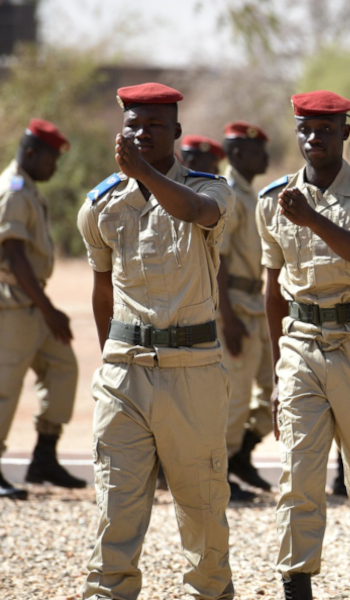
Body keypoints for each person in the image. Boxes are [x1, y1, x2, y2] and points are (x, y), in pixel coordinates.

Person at [78, 82, 234, 600]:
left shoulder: (211, 189)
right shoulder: (101, 205)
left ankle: (209, 592)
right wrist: (109, 364)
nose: (142, 134)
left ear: (177, 134)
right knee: (115, 504)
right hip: (126, 371)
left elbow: (197, 214)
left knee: (202, 508)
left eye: (154, 127)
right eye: (133, 125)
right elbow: (103, 291)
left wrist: (142, 172)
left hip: (192, 372)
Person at [258, 90, 350, 599]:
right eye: (305, 129)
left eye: (325, 129)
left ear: (345, 132)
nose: (314, 138)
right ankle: (296, 584)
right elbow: (272, 291)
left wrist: (311, 219)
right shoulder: (272, 201)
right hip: (301, 345)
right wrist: (277, 369)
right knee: (298, 474)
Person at [0, 118, 79, 499]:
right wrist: (49, 309)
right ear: (31, 153)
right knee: (4, 386)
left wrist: (46, 308)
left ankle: (44, 458)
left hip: (32, 301)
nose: (54, 167)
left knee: (63, 365)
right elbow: (13, 254)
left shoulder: (28, 187)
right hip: (12, 303)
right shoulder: (14, 189)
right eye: (51, 159)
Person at [216, 121, 275, 501]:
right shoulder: (228, 194)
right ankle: (218, 474)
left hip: (256, 304)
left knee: (273, 389)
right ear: (237, 154)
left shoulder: (249, 194)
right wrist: (228, 317)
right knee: (234, 396)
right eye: (257, 150)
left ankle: (239, 456)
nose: (265, 157)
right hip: (235, 305)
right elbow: (216, 261)